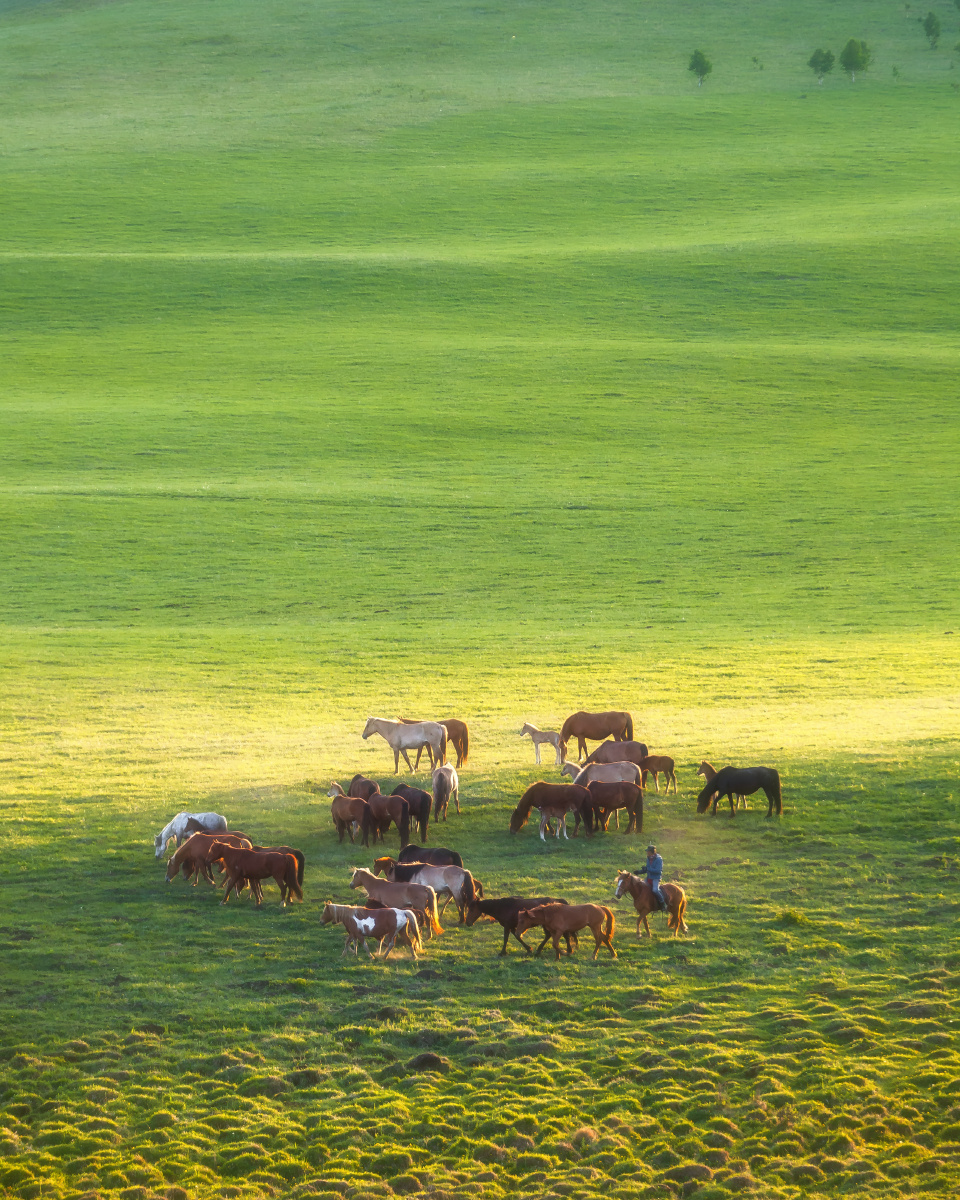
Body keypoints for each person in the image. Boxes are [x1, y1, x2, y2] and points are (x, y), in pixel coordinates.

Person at [635, 845, 667, 912]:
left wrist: (648, 869)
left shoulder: (659, 859)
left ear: (652, 852)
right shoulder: (649, 858)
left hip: (655, 878)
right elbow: (647, 869)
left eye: (648, 851)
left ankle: (662, 903)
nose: (647, 852)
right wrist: (639, 872)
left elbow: (658, 870)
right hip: (649, 877)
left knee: (655, 890)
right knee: (641, 887)